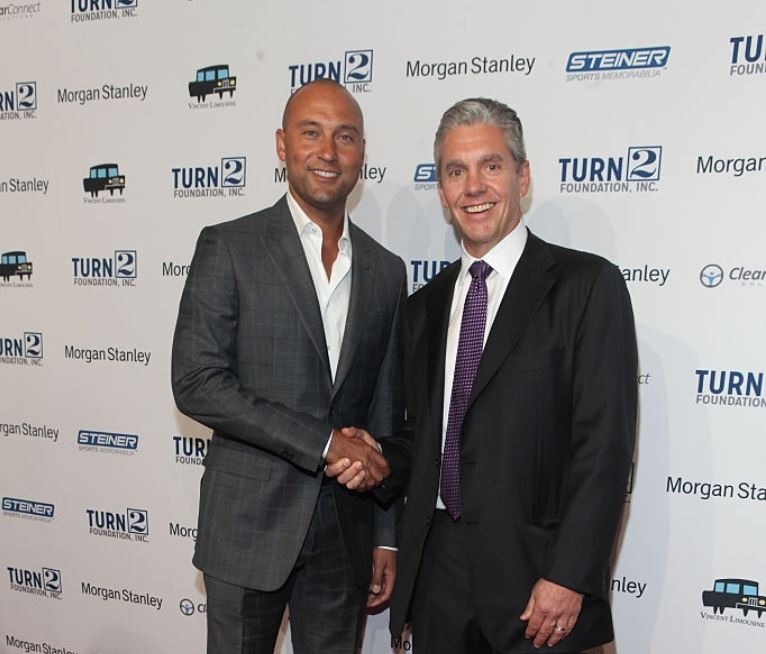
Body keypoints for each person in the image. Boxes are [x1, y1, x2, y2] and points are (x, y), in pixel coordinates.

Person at [381, 98, 638, 653]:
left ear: (522, 177)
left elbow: (605, 447)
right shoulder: (424, 307)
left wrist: (570, 575)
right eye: (456, 171)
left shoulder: (586, 287)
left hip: (538, 579)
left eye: (490, 166)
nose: (474, 186)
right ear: (443, 190)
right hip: (438, 578)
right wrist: (370, 455)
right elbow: (424, 439)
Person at [171, 79, 406, 654]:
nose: (328, 151)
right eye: (311, 133)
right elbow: (198, 382)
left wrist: (386, 536)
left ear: (361, 155)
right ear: (282, 145)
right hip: (248, 526)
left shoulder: (386, 269)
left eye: (345, 137)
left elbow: (384, 409)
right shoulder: (229, 246)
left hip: (345, 533)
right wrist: (326, 444)